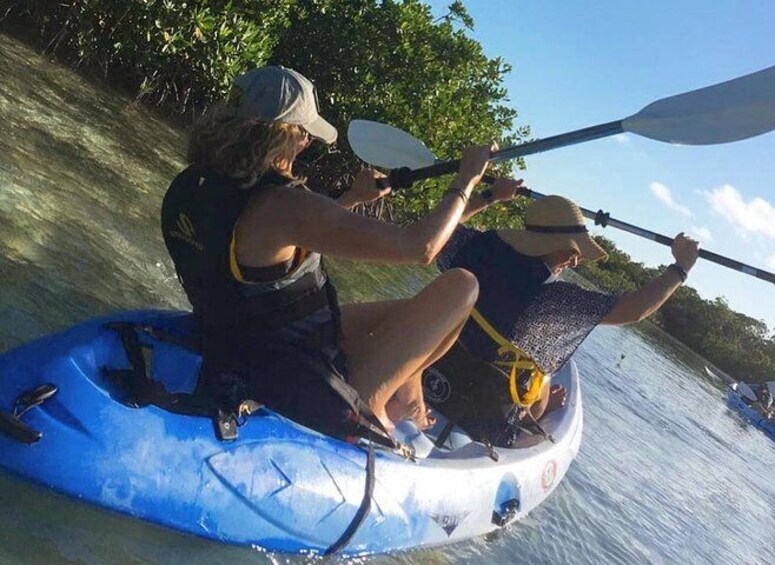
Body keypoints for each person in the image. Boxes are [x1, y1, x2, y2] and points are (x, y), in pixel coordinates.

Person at [160, 65, 493, 440]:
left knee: (411, 314)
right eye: (304, 136)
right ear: (289, 136)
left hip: (230, 342)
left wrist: (350, 199)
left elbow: (271, 249)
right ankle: (373, 403)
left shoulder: (191, 185)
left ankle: (407, 392)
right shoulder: (286, 206)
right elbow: (421, 247)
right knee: (461, 288)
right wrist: (466, 181)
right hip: (296, 374)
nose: (306, 144)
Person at [408, 178, 700, 447]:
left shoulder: (475, 248)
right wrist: (680, 269)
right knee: (541, 373)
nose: (574, 261)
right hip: (479, 415)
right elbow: (634, 309)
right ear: (552, 245)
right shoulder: (552, 299)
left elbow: (441, 227)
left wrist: (489, 196)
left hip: (423, 375)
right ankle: (538, 410)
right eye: (572, 250)